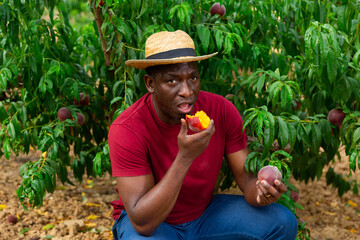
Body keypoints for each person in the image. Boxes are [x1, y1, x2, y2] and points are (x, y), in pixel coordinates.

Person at [108, 30, 298, 240]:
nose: (187, 91)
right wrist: (185, 157)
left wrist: (262, 193)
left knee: (282, 222)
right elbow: (143, 223)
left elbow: (247, 182)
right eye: (172, 81)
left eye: (193, 77)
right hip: (154, 225)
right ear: (150, 84)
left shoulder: (220, 110)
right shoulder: (127, 128)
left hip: (205, 215)